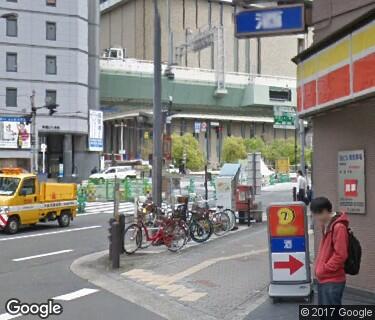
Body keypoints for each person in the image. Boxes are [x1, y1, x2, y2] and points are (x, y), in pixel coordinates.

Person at [311, 197, 349, 306]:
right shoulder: (327, 224)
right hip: (324, 279)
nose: (316, 218)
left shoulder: (338, 227)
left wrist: (324, 269)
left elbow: (341, 255)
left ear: (325, 211)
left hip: (333, 280)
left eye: (317, 214)